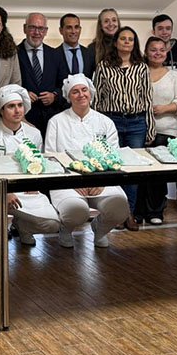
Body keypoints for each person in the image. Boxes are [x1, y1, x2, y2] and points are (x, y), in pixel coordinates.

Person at [44, 74, 129, 248]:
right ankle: (66, 230)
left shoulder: (105, 122)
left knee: (120, 207)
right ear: (68, 97)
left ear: (91, 92)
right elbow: (50, 158)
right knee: (77, 211)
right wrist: (75, 181)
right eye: (75, 92)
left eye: (84, 90)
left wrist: (100, 179)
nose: (81, 95)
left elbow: (113, 156)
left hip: (102, 179)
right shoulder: (56, 122)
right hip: (66, 181)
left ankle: (100, 229)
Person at [0, 85, 61, 249]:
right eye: (11, 106)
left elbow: (38, 164)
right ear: (1, 111)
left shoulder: (34, 134)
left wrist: (33, 185)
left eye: (20, 105)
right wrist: (5, 192)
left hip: (27, 190)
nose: (17, 110)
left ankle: (23, 227)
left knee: (52, 224)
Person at [92, 26, 155, 229]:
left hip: (137, 123)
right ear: (116, 42)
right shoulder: (104, 66)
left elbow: (147, 99)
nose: (127, 42)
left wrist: (150, 127)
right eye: (123, 38)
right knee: (114, 168)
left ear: (134, 44)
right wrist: (96, 128)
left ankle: (130, 213)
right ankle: (114, 214)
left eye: (131, 39)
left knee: (133, 169)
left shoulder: (142, 67)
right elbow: (96, 98)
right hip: (112, 122)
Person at [143, 36, 177, 224]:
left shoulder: (174, 76)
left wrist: (165, 108)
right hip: (142, 130)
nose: (158, 53)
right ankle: (138, 212)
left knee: (158, 174)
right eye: (153, 49)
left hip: (168, 131)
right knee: (141, 173)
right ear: (146, 52)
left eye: (162, 50)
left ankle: (156, 211)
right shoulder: (138, 72)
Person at [17, 12, 65, 135]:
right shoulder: (13, 54)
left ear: (46, 31)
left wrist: (54, 95)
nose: (37, 32)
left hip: (51, 120)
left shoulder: (55, 54)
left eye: (41, 28)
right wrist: (23, 94)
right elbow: (8, 85)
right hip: (24, 119)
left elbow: (64, 85)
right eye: (32, 27)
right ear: (24, 28)